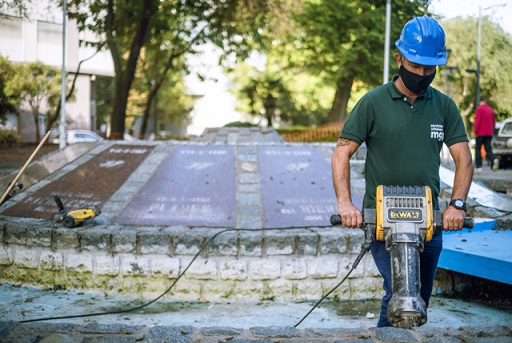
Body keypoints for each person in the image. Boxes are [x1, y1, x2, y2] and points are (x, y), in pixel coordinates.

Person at [331, 16, 473, 327]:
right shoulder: (373, 103)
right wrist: (346, 205)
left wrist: (457, 205)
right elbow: (342, 152)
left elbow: (464, 158)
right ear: (399, 59)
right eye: (415, 65)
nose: (422, 74)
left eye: (429, 68)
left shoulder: (445, 107)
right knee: (399, 290)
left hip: (428, 221)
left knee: (418, 298)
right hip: (383, 220)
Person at [474, 100, 496, 171]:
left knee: (478, 149)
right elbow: (494, 122)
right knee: (488, 148)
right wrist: (492, 131)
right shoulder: (491, 110)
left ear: (481, 103)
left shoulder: (479, 110)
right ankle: (493, 162)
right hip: (489, 133)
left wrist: (475, 132)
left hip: (480, 133)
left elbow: (478, 121)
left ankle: (479, 166)